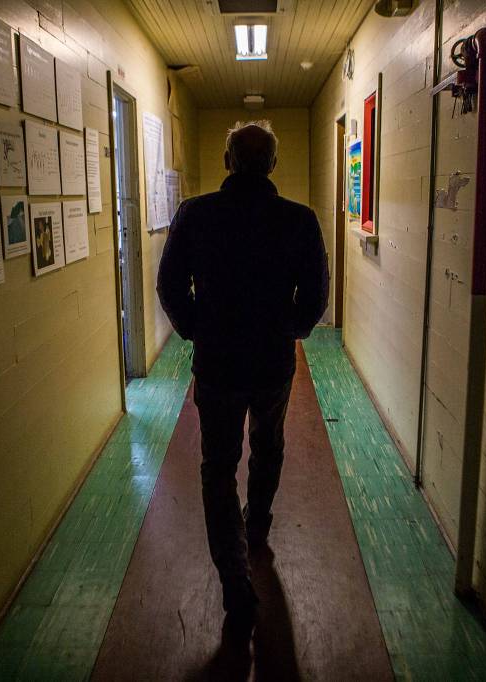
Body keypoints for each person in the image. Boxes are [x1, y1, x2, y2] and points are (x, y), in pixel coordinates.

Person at [157, 121, 330, 616]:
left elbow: (170, 285)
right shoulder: (299, 220)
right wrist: (290, 329)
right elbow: (316, 295)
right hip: (272, 362)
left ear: (227, 160)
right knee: (268, 446)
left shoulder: (196, 214)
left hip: (218, 364)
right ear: (273, 164)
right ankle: (257, 529)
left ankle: (234, 575)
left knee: (217, 466)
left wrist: (197, 329)